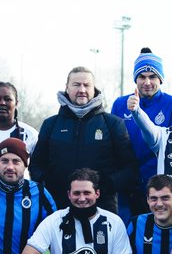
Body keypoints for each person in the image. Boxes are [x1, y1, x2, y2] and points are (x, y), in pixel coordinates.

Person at [31, 66, 136, 212]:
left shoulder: (113, 123)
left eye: (87, 85)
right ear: (67, 87)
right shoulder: (50, 124)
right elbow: (36, 165)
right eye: (76, 84)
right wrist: (50, 184)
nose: (82, 89)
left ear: (94, 89)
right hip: (58, 207)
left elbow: (129, 168)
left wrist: (105, 186)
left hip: (102, 208)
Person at [111, 47, 172, 216]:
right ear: (135, 79)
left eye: (152, 76)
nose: (147, 82)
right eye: (142, 77)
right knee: (128, 234)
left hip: (158, 187)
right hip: (127, 186)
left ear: (160, 79)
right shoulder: (120, 104)